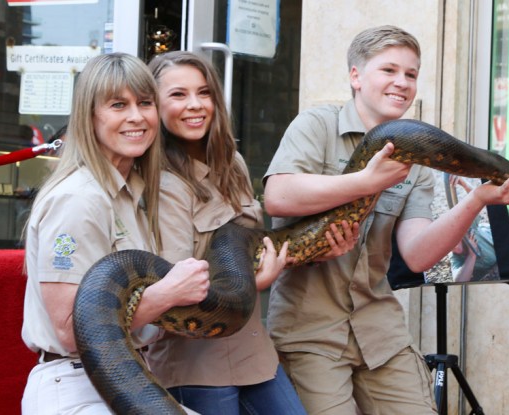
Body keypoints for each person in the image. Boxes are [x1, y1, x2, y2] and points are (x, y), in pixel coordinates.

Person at [262, 25, 509, 414]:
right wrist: (364, 182)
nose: (402, 83)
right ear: (356, 77)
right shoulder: (317, 126)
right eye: (389, 70)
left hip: (381, 332)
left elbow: (417, 256)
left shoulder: (418, 163)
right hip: (310, 335)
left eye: (411, 74)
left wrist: (478, 198)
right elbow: (278, 196)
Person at [145, 50, 358, 415]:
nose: (195, 105)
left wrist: (314, 251)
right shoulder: (161, 183)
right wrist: (256, 282)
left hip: (256, 354)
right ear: (155, 105)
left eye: (204, 92)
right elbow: (179, 290)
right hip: (197, 365)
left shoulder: (233, 165)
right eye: (178, 95)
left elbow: (255, 249)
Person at [21, 52, 210, 414]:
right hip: (76, 384)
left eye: (144, 103)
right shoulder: (79, 199)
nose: (136, 117)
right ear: (90, 116)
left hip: (128, 373)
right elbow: (70, 331)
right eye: (118, 105)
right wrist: (167, 294)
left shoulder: (129, 192)